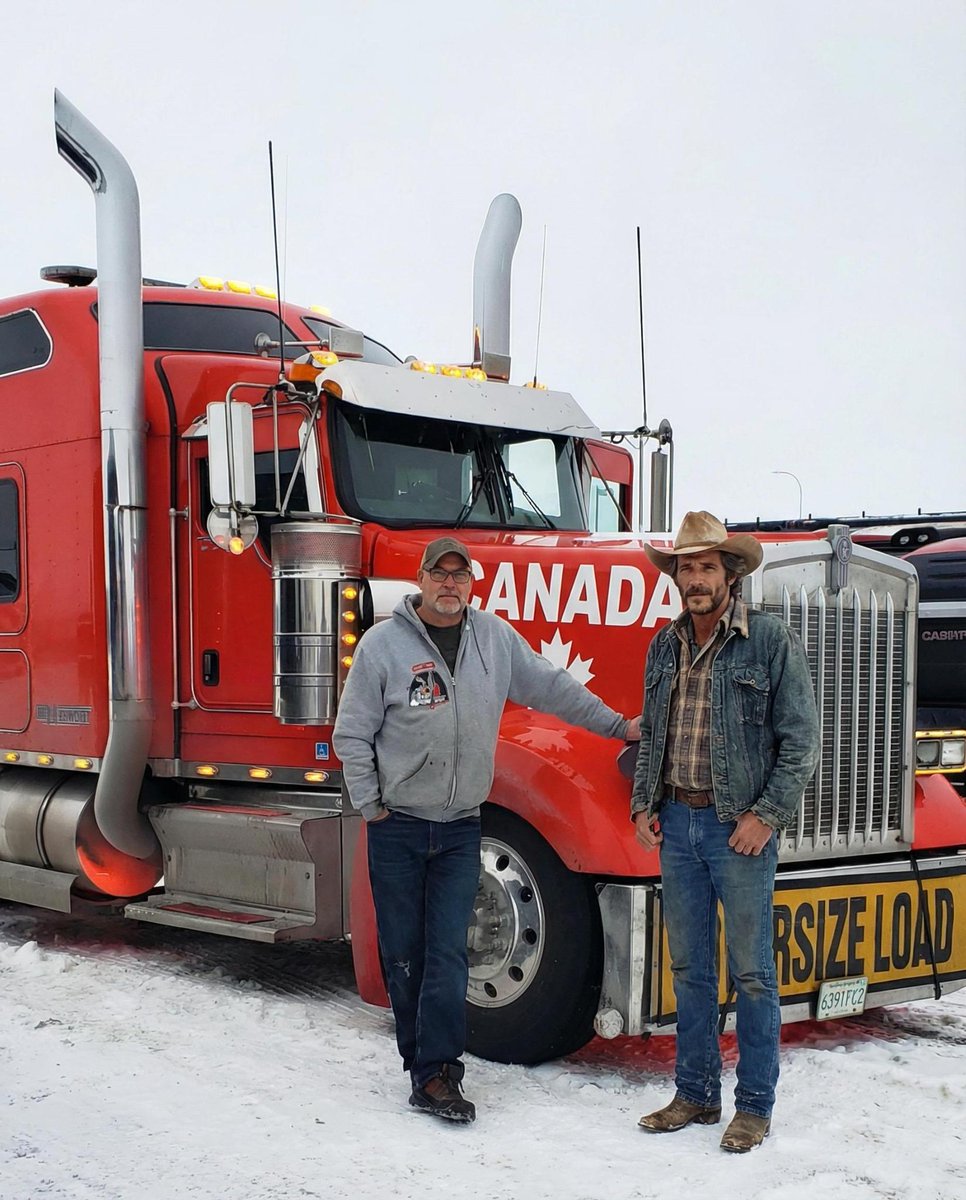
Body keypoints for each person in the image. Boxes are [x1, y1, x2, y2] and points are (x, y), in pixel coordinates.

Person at [333, 536, 641, 1124]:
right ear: (420, 580)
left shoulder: (494, 640)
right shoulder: (382, 646)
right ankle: (419, 1060)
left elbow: (552, 687)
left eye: (460, 575)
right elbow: (353, 732)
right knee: (404, 953)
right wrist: (371, 805)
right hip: (397, 826)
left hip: (458, 828)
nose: (450, 584)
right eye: (439, 574)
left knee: (449, 951)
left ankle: (438, 1073)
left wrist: (617, 725)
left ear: (471, 583)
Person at [631, 511, 819, 1153]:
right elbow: (653, 733)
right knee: (688, 970)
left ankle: (754, 1107)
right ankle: (695, 1094)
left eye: (707, 566)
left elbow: (802, 741)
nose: (696, 578)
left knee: (754, 974)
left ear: (730, 574)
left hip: (735, 828)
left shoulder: (768, 641)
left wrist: (764, 817)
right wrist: (642, 805)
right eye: (686, 567)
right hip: (677, 822)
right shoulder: (664, 644)